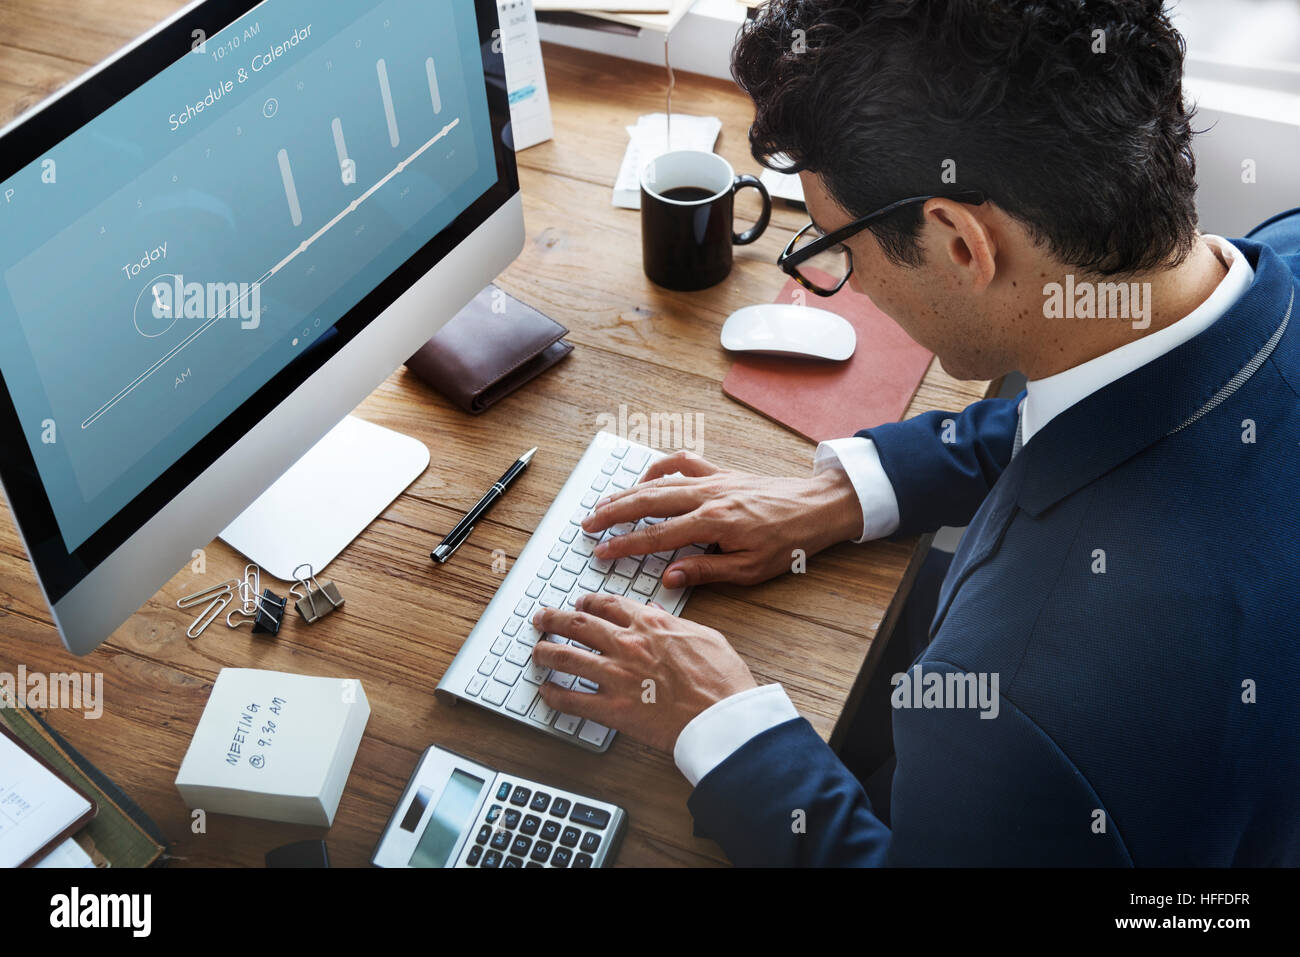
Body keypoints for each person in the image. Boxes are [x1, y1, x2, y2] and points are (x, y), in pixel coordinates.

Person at [529, 0, 1300, 865]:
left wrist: (727, 726)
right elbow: (1125, 400)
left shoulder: (1016, 712)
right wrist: (845, 491)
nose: (845, 282)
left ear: (963, 244)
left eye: (835, 246)